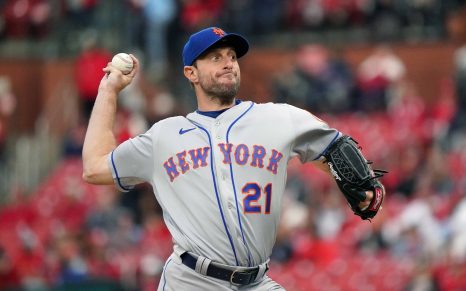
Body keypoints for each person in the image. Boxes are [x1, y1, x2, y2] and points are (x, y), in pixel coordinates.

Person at [82, 27, 386, 290]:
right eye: (215, 58)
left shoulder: (278, 118)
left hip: (257, 282)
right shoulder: (164, 136)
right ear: (191, 73)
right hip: (191, 281)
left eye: (231, 56)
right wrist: (109, 90)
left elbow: (333, 148)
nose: (228, 63)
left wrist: (362, 188)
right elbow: (95, 167)